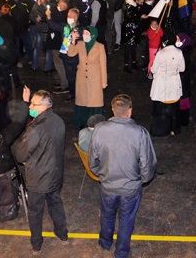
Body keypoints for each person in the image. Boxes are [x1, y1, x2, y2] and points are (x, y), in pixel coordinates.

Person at [89, 94, 157, 258]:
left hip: (107, 186)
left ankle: (105, 243)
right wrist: (142, 180)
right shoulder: (140, 133)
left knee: (107, 215)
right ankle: (121, 251)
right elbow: (147, 164)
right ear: (130, 111)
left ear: (112, 110)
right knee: (127, 220)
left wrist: (102, 175)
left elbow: (92, 160)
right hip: (130, 188)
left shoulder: (99, 129)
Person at [12, 89, 69, 254]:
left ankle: (36, 244)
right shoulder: (58, 121)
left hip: (38, 178)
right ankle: (62, 233)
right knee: (56, 204)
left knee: (35, 212)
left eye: (33, 104)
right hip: (55, 173)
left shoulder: (35, 129)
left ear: (43, 107)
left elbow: (21, 153)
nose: (31, 106)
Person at [67, 26, 107, 130]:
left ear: (92, 35)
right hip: (81, 77)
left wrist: (104, 81)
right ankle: (81, 123)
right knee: (82, 99)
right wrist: (73, 41)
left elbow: (103, 64)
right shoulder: (80, 44)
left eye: (87, 33)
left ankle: (95, 123)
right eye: (83, 33)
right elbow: (70, 54)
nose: (84, 35)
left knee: (95, 100)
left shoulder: (100, 46)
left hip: (95, 77)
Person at [149, 33, 185, 136]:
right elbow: (182, 68)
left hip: (162, 84)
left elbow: (154, 69)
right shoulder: (179, 52)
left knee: (161, 108)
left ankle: (161, 130)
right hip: (174, 83)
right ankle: (173, 129)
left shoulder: (161, 53)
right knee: (174, 108)